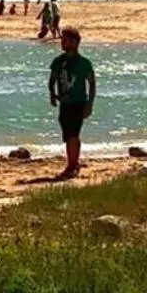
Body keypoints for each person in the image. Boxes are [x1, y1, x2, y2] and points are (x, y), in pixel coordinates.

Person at [48, 28, 97, 179]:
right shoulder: (58, 61)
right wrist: (52, 94)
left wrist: (89, 104)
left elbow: (92, 83)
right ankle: (73, 162)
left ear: (75, 42)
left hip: (79, 102)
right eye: (62, 39)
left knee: (73, 134)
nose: (62, 42)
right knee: (67, 134)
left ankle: (72, 164)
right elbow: (52, 80)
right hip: (65, 103)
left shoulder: (84, 63)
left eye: (66, 40)